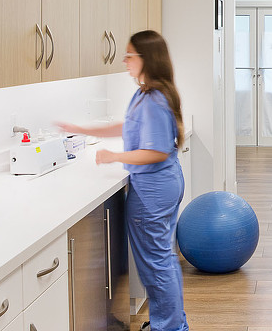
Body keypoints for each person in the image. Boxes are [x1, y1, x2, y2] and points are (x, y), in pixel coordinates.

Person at [59, 30, 189, 331]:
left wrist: (114, 157)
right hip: (162, 184)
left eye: (130, 55)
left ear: (147, 58)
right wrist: (84, 129)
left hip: (153, 190)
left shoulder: (154, 99)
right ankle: (172, 324)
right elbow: (127, 126)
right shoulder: (146, 93)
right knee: (162, 262)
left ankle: (169, 327)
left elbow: (156, 151)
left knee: (156, 267)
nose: (124, 60)